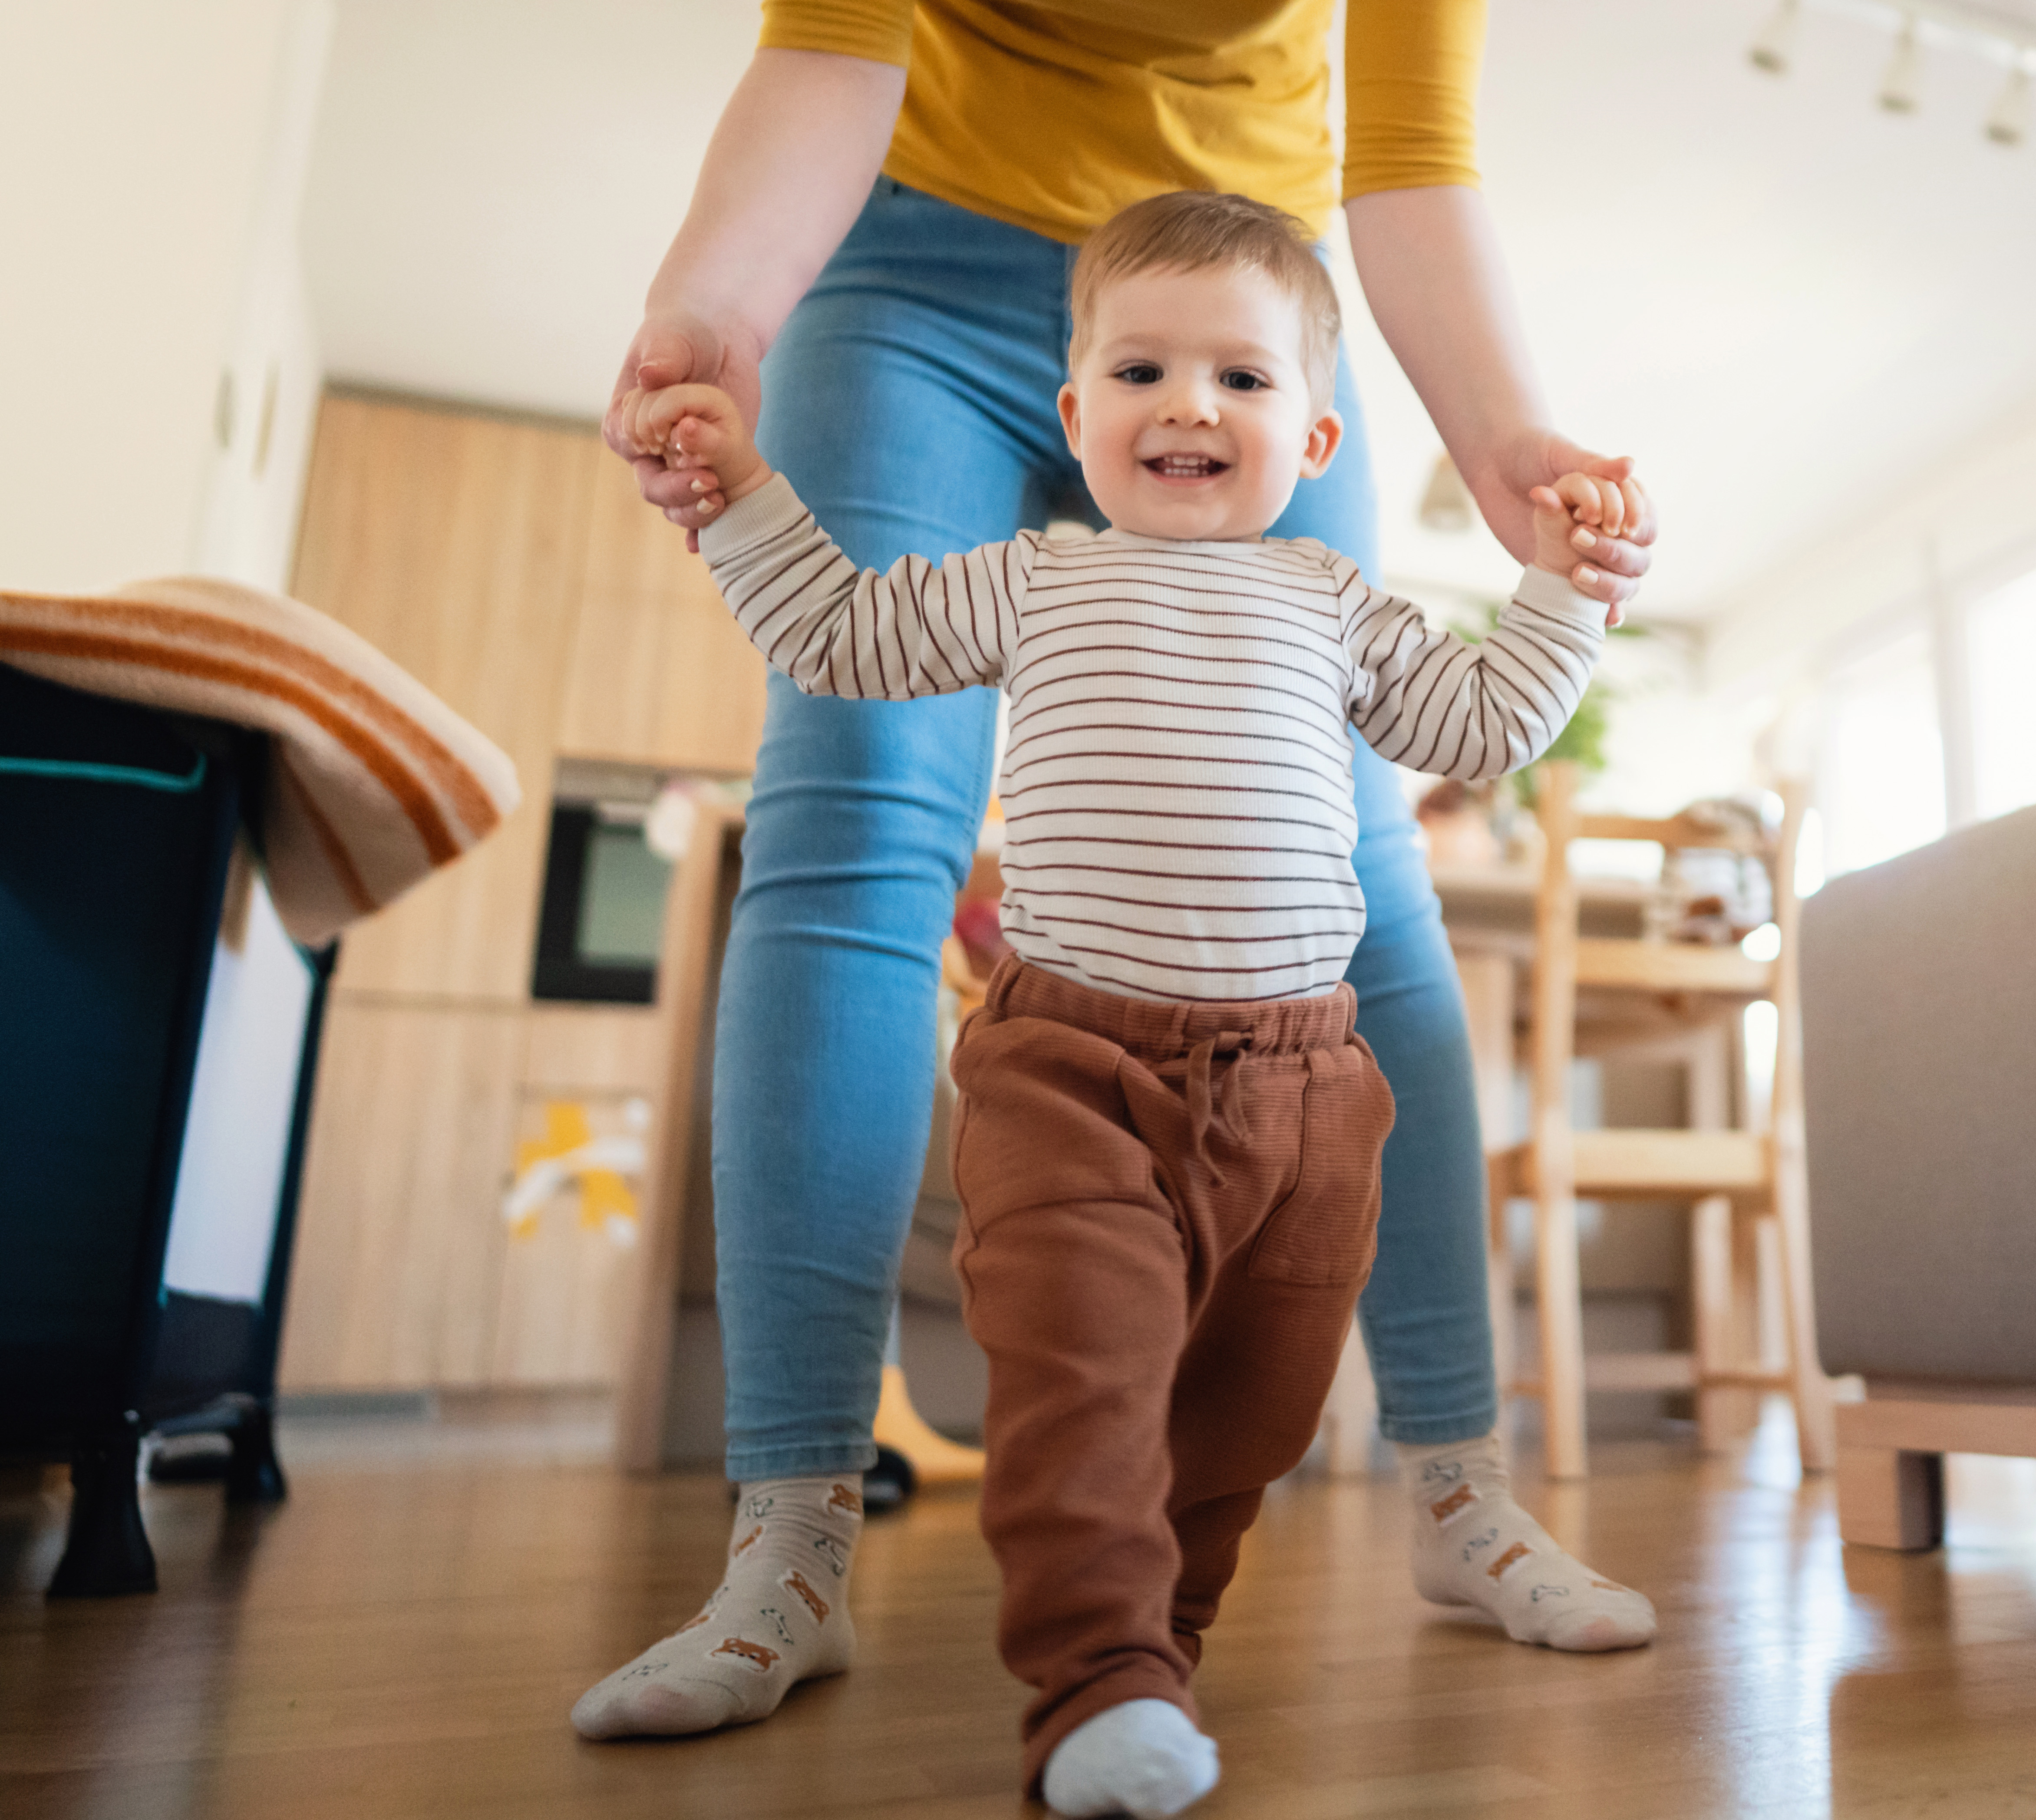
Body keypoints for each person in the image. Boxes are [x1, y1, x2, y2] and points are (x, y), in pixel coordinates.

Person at [569, 0, 1661, 1749]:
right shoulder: (1028, 579)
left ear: (1301, 441)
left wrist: (1524, 476)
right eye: (1131, 404)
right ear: (1095, 410)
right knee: (848, 821)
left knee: (1371, 863)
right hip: (908, 240)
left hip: (1250, 278)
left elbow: (1410, 151)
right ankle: (792, 1536)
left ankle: (1460, 1487)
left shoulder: (1306, 546)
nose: (1175, 422)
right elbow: (830, 51)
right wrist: (712, 333)